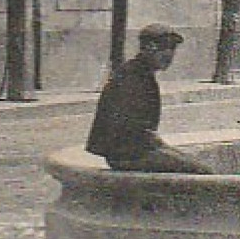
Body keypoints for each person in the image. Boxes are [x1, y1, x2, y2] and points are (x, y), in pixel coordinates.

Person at [84, 25, 213, 174]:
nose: (169, 56)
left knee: (192, 162)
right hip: (127, 155)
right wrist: (159, 147)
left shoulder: (141, 74)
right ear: (148, 48)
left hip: (134, 150)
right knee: (202, 171)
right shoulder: (131, 77)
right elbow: (126, 127)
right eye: (164, 49)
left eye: (172, 49)